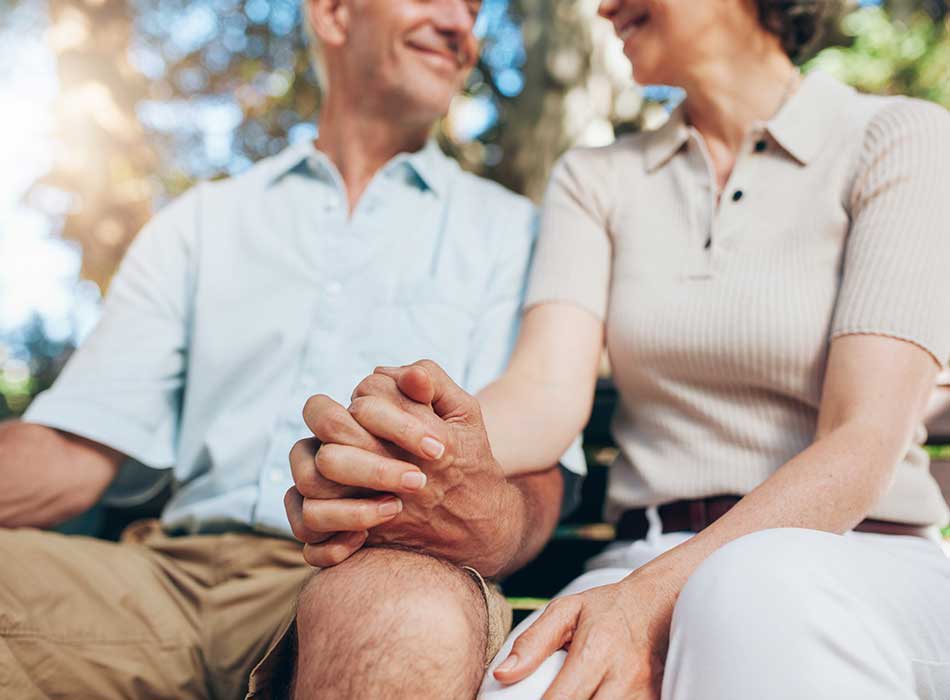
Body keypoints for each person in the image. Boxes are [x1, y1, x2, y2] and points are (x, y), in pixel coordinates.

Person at [290, 0, 950, 697]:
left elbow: (863, 439)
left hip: (862, 556)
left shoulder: (899, 138)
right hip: (644, 552)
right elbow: (544, 394)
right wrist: (395, 458)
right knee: (524, 685)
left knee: (756, 593)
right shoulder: (596, 179)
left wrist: (650, 598)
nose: (603, 6)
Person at [0, 1, 584, 698]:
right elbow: (71, 455)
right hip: (164, 577)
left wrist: (485, 528)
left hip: (367, 571)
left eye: (473, 7)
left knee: (406, 612)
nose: (462, 25)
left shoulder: (518, 234)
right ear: (334, 14)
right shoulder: (200, 225)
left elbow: (540, 474)